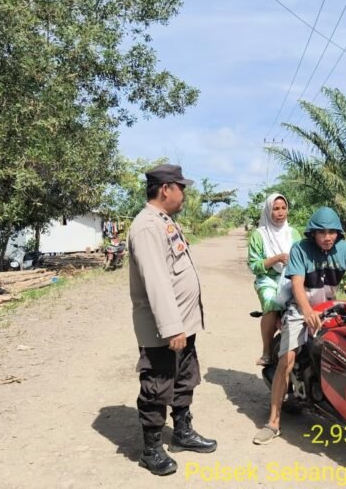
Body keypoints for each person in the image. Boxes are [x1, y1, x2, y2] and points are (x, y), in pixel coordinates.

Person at [252, 206, 346, 445]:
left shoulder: (344, 249)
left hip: (330, 308)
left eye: (332, 232)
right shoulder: (301, 249)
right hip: (300, 309)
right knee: (287, 359)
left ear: (338, 233)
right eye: (322, 232)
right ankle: (273, 422)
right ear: (313, 233)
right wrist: (307, 311)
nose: (327, 237)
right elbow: (298, 285)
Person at [127, 163, 217, 477]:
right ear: (166, 188)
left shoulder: (163, 221)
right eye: (182, 188)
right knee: (157, 384)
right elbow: (156, 281)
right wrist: (171, 327)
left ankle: (182, 432)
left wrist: (183, 324)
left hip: (182, 324)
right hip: (165, 328)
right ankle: (151, 450)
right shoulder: (147, 226)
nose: (185, 194)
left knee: (183, 378)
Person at [247, 193, 301, 366]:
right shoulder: (259, 235)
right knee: (271, 304)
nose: (280, 212)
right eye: (276, 209)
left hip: (290, 276)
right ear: (268, 211)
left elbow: (302, 258)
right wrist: (276, 259)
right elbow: (254, 265)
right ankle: (267, 352)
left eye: (283, 208)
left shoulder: (293, 233)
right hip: (267, 279)